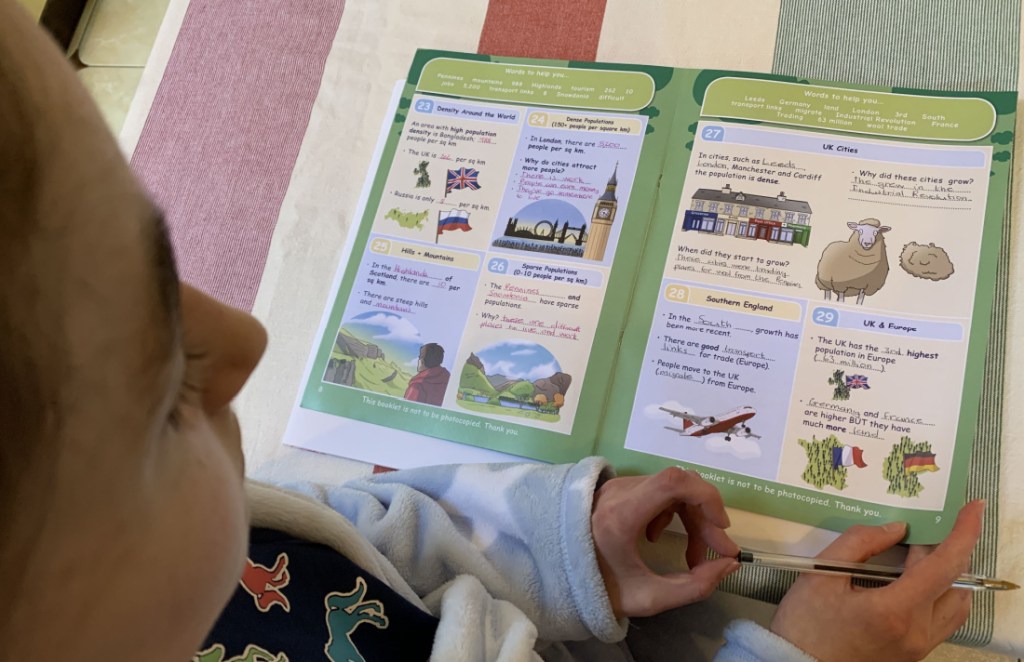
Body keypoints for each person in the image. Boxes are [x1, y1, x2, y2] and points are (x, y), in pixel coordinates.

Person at [0, 3, 982, 660]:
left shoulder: (183, 542)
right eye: (166, 385)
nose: (248, 337)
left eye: (168, 273)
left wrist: (562, 550)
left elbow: (358, 539)